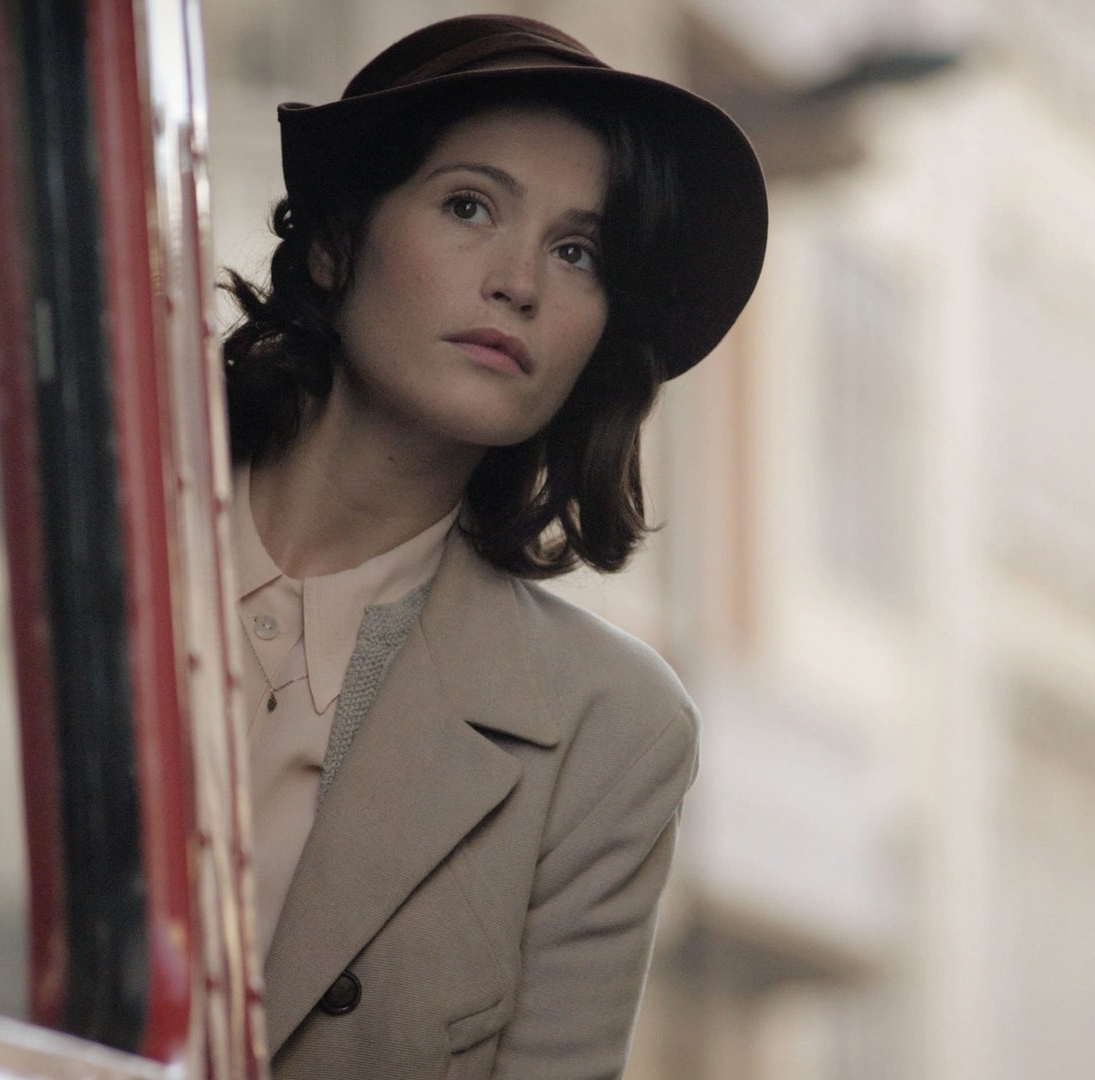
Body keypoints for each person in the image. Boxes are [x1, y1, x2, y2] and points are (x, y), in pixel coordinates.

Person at [219, 14, 767, 1079]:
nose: (520, 280)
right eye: (469, 205)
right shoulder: (67, 504)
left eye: (578, 251)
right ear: (335, 241)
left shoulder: (610, 733)